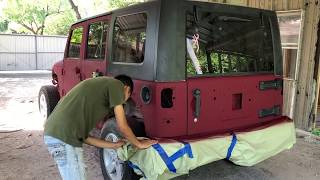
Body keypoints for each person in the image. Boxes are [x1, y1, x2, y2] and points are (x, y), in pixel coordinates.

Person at [43, 74, 157, 180]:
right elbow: (123, 126)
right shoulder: (116, 85)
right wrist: (139, 143)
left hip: (60, 135)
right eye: (127, 97)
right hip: (62, 137)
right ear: (127, 89)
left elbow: (85, 138)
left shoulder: (96, 96)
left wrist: (114, 145)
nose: (124, 102)